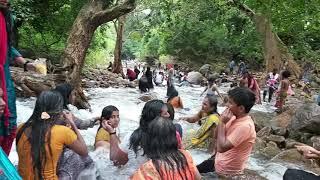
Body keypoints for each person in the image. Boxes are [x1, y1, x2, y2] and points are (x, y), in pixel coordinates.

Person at [16, 91, 88, 180]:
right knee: (75, 157)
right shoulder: (62, 131)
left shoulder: (20, 128)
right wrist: (72, 123)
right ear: (58, 111)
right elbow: (84, 152)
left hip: (18, 178)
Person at [0, 0, 39, 155]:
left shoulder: (6, 17)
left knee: (9, 127)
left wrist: (25, 63)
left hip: (5, 79)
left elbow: (7, 47)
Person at [100, 100, 172, 176]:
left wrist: (112, 133)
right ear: (157, 117)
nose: (169, 115)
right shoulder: (171, 136)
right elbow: (117, 162)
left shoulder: (133, 137)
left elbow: (117, 162)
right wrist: (112, 132)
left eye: (117, 116)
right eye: (165, 113)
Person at [197, 87, 256, 176]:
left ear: (241, 108)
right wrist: (221, 120)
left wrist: (222, 123)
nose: (227, 105)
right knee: (188, 172)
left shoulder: (245, 126)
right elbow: (216, 136)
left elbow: (221, 148)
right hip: (217, 161)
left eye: (230, 103)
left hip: (225, 171)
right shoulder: (232, 117)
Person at [131, 117, 201, 180]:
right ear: (174, 137)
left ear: (150, 140)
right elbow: (198, 178)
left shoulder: (148, 169)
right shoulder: (185, 155)